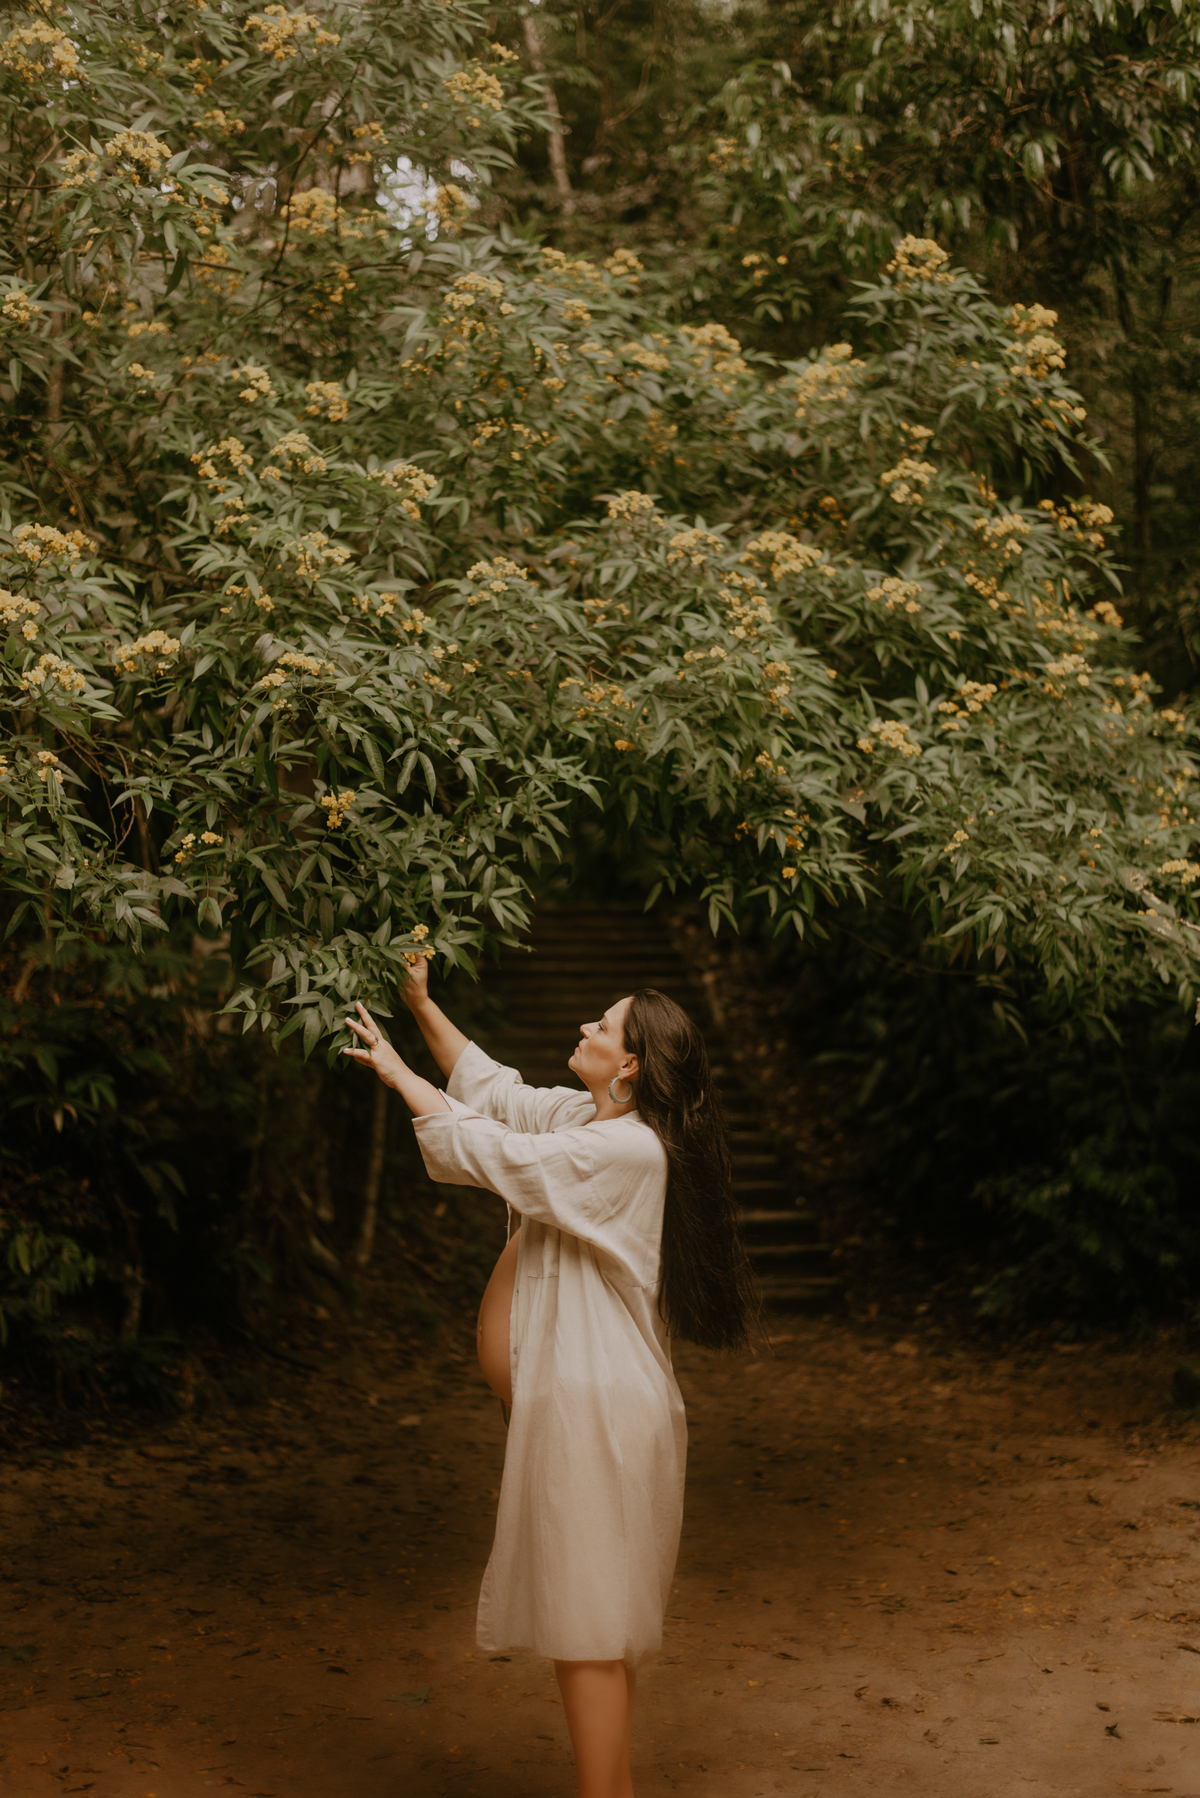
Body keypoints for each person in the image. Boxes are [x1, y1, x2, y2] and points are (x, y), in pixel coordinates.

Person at [343, 954, 757, 1798]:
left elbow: (493, 1149)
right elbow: (494, 1092)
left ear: (632, 1063)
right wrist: (421, 1004)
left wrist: (395, 1073)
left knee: (588, 1623)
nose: (584, 1030)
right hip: (579, 1403)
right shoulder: (585, 1116)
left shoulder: (629, 1150)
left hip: (596, 1409)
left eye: (600, 1027)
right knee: (590, 1620)